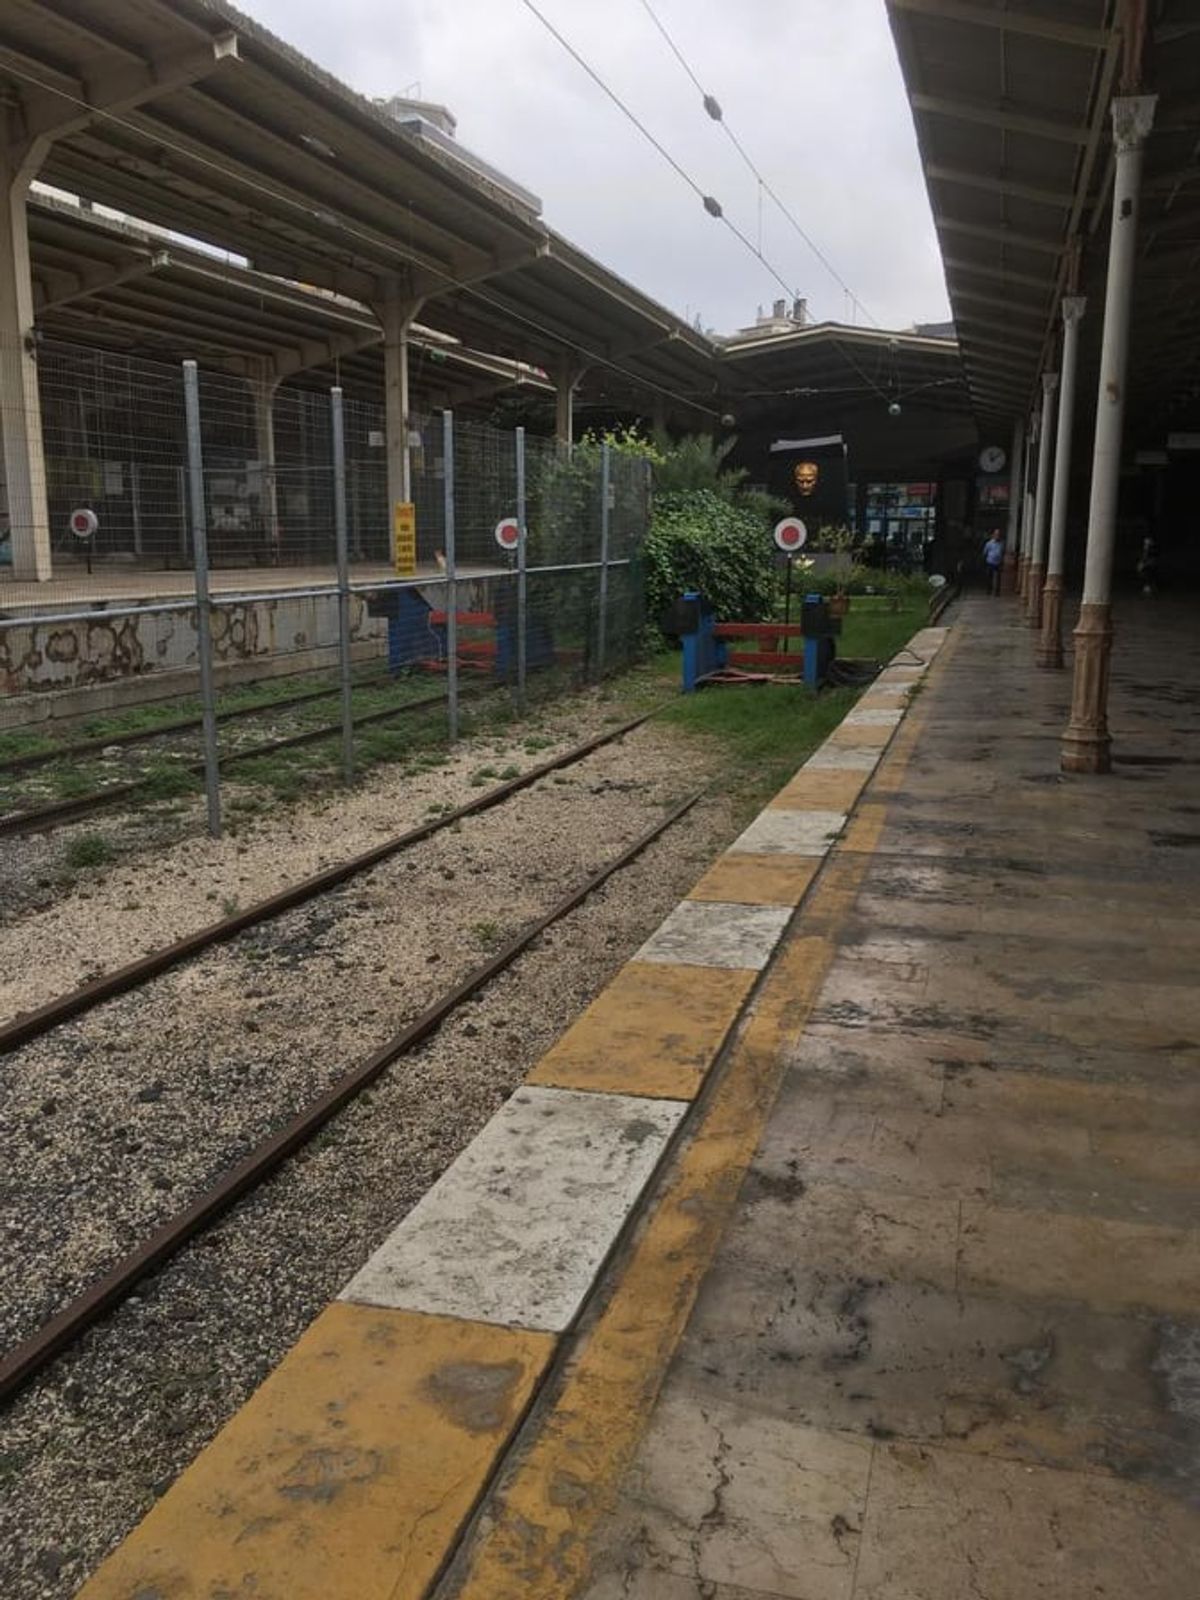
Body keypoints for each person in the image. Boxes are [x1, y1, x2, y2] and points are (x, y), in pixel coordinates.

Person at [983, 530, 1004, 595]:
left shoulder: (1001, 543)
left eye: (998, 535)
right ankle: (988, 590)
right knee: (989, 577)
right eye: (996, 534)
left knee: (998, 578)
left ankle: (997, 592)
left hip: (998, 562)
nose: (997, 536)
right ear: (993, 535)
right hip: (990, 562)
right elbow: (985, 552)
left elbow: (1002, 552)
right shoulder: (989, 543)